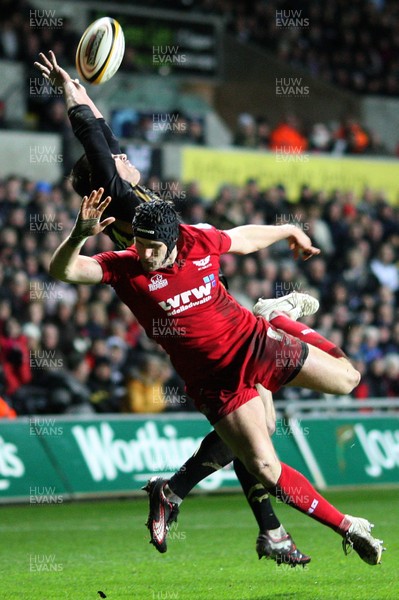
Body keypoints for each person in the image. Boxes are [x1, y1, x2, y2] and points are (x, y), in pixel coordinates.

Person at [34, 51, 314, 566]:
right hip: (193, 320)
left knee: (256, 429)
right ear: (107, 175)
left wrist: (80, 86)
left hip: (190, 311)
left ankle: (232, 515)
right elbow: (90, 133)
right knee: (253, 434)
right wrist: (65, 87)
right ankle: (226, 510)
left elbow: (99, 130)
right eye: (117, 157)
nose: (125, 154)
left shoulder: (126, 187)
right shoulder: (119, 192)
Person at [49, 189, 384, 566]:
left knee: (348, 379)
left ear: (174, 241)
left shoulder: (198, 239)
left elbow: (243, 238)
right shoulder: (124, 266)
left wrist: (288, 229)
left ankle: (275, 316)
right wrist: (80, 234)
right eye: (140, 245)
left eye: (153, 247)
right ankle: (350, 528)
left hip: (254, 342)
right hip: (217, 383)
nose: (145, 254)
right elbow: (63, 270)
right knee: (265, 466)